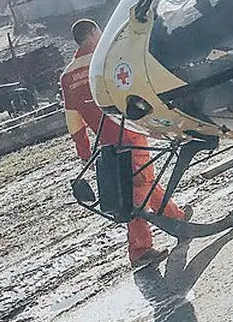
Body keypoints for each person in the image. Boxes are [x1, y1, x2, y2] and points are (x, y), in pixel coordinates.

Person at [62, 19, 190, 270]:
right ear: (92, 33)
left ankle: (175, 218)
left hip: (107, 145)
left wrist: (84, 151)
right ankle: (140, 249)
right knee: (137, 190)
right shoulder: (103, 59)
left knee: (142, 182)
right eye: (98, 31)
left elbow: (72, 119)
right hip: (130, 131)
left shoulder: (67, 76)